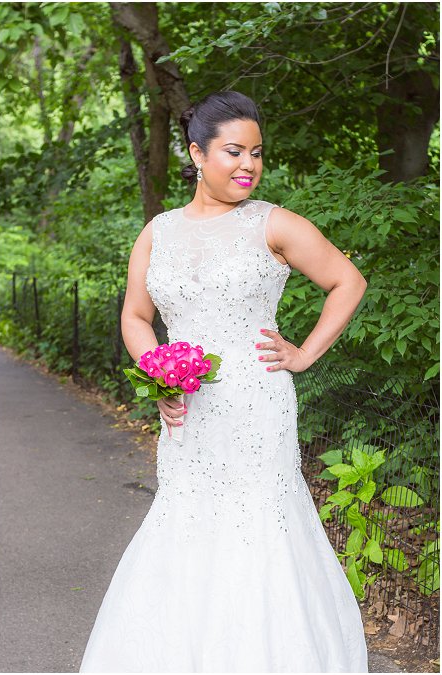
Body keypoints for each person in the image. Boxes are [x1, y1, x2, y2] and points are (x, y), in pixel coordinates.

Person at [80, 91, 368, 672]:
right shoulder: (157, 232)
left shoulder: (274, 224)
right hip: (188, 412)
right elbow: (136, 318)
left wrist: (306, 352)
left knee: (261, 525)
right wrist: (160, 374)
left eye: (257, 154)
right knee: (186, 519)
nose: (249, 166)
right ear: (196, 153)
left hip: (258, 404)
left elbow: (347, 281)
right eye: (234, 151)